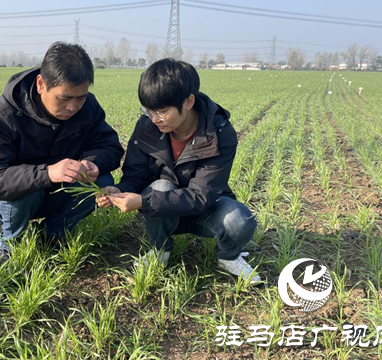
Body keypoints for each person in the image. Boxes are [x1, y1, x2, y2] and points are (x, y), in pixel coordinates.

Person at [96, 58, 261, 284]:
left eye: (162, 111)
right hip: (163, 211)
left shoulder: (219, 133)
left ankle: (228, 256)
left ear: (189, 101)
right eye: (148, 110)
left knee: (239, 220)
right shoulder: (147, 127)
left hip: (206, 208)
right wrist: (119, 189)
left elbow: (202, 195)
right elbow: (136, 174)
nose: (154, 119)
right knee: (160, 186)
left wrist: (144, 202)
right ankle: (160, 249)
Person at [0, 42, 124, 268]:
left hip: (51, 194)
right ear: (41, 84)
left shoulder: (88, 107)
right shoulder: (4, 115)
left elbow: (110, 146)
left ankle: (51, 234)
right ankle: (8, 244)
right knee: (27, 188)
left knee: (102, 180)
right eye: (64, 98)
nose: (73, 107)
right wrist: (47, 173)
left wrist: (92, 163)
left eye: (80, 97)